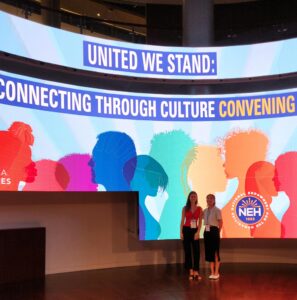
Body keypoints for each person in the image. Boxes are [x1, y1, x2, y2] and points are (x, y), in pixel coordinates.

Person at [180, 191, 202, 280]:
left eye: (194, 196)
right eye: (191, 196)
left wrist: (198, 232)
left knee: (197, 251)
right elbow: (182, 221)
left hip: (195, 231)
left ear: (196, 198)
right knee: (187, 251)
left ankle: (196, 270)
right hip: (186, 229)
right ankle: (190, 270)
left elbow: (200, 222)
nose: (193, 198)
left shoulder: (200, 208)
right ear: (189, 198)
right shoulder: (185, 208)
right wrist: (181, 232)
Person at [203, 193, 223, 280]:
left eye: (211, 199)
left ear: (214, 200)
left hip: (214, 231)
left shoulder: (217, 210)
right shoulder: (205, 211)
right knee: (209, 252)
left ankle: (216, 272)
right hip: (207, 232)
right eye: (207, 199)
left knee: (215, 252)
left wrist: (218, 232)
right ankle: (212, 272)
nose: (209, 200)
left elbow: (221, 222)